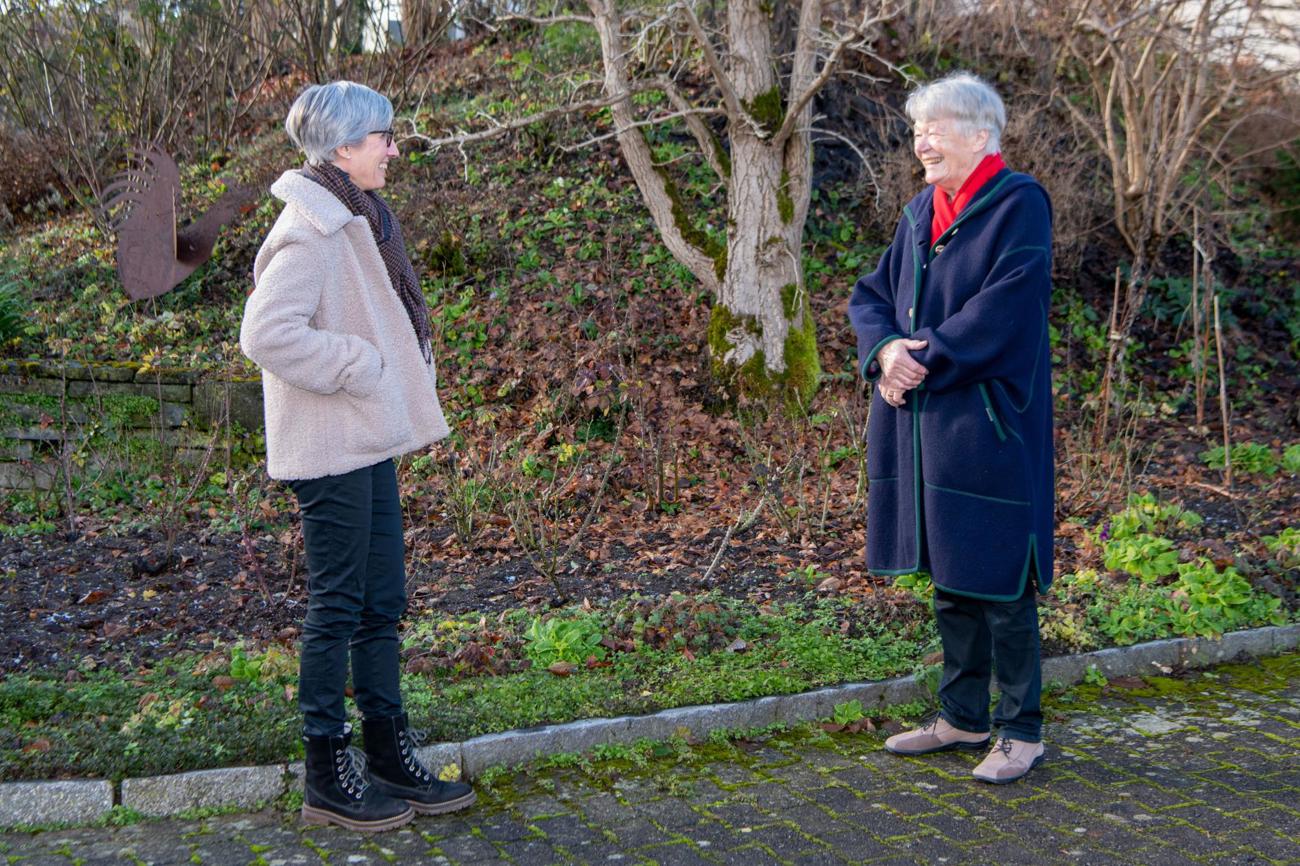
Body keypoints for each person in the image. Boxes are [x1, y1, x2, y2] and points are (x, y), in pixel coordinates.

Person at [241, 81, 475, 830]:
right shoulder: (310, 227)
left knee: (382, 604)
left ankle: (386, 755)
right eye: (384, 138)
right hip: (330, 448)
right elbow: (267, 334)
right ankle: (326, 773)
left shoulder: (355, 214)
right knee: (338, 607)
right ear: (345, 148)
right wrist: (359, 363)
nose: (394, 149)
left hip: (365, 439)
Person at [848, 72, 1054, 784]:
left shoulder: (1018, 204)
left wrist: (920, 359)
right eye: (915, 131)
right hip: (926, 428)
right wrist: (884, 351)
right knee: (952, 578)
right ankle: (963, 717)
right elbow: (871, 295)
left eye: (933, 129)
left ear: (979, 133)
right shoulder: (918, 213)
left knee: (1000, 581)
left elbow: (1004, 310)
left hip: (989, 426)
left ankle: (1022, 731)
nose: (920, 143)